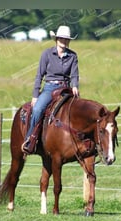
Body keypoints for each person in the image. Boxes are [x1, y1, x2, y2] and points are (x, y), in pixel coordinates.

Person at [22, 25, 80, 154]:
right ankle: (30, 138)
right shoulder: (47, 54)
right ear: (56, 39)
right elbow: (39, 75)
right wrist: (35, 95)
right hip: (50, 88)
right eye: (61, 39)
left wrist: (75, 86)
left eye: (66, 39)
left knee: (78, 110)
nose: (63, 41)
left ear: (69, 40)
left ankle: (79, 141)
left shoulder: (73, 56)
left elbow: (74, 75)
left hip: (65, 88)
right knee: (37, 109)